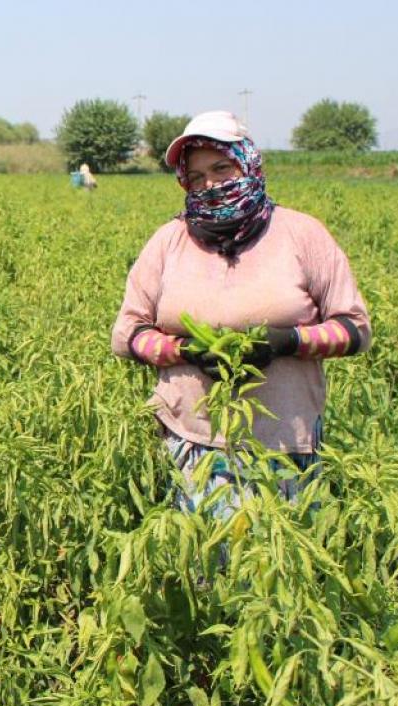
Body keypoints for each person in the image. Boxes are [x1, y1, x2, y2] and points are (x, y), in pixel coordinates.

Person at [110, 110, 371, 518]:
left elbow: (355, 329)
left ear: (248, 162)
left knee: (280, 561)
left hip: (286, 442)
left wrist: (289, 342)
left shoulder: (302, 234)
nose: (210, 185)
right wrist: (187, 350)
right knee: (202, 563)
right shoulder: (169, 241)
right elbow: (127, 334)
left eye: (220, 168)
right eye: (196, 177)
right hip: (191, 440)